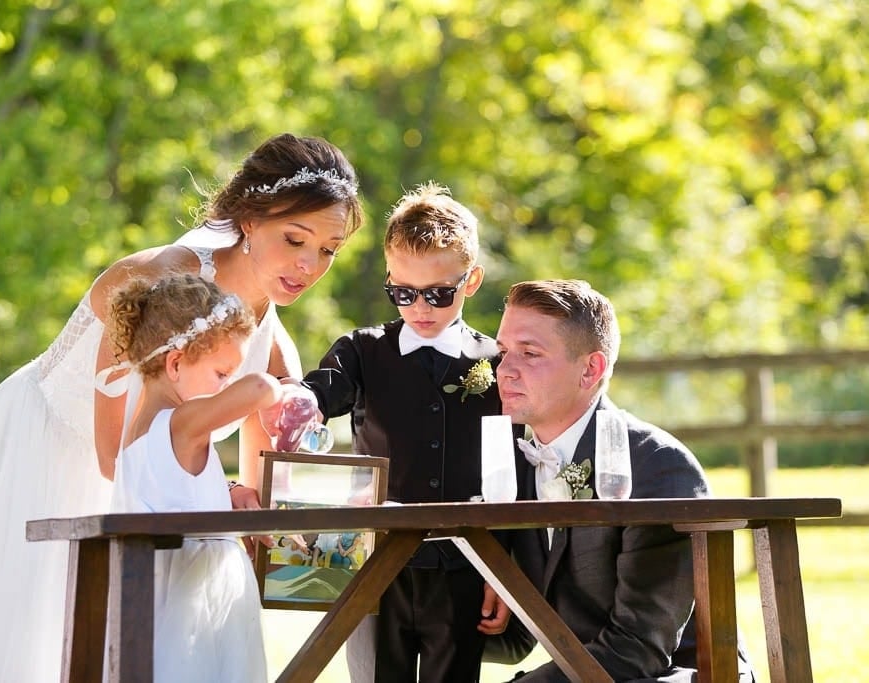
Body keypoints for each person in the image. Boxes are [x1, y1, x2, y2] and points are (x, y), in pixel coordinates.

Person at [0, 132, 363, 682]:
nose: (309, 265)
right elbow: (114, 457)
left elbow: (263, 491)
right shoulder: (162, 281)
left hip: (154, 485)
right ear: (250, 221)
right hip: (52, 451)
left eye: (328, 250)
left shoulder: (275, 346)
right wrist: (218, 496)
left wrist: (306, 541)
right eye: (295, 239)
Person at [293, 183, 519, 682]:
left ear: (471, 281)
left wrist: (500, 571)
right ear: (390, 279)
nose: (420, 307)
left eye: (439, 293)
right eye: (402, 292)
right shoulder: (361, 350)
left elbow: (513, 470)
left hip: (464, 567)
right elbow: (316, 396)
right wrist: (297, 404)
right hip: (374, 567)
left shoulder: (497, 364)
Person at [481, 279, 756, 682]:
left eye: (530, 353)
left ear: (590, 369)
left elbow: (639, 648)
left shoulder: (658, 466)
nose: (504, 370)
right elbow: (519, 635)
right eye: (503, 352)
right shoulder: (515, 465)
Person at [104, 274, 278, 682]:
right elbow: (260, 386)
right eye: (222, 373)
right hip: (197, 607)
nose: (227, 386)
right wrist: (283, 394)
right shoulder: (180, 424)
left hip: (155, 604)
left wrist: (227, 492)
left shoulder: (140, 431)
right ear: (176, 362)